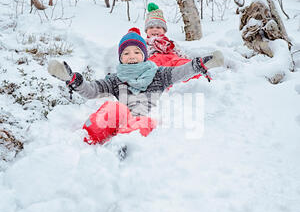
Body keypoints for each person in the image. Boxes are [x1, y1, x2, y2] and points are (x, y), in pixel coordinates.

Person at [48, 28, 218, 146]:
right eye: (126, 53)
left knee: (142, 121)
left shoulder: (159, 74)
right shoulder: (115, 79)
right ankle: (85, 141)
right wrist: (74, 80)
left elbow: (180, 72)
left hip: (149, 122)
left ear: (144, 55)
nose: (132, 56)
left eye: (136, 52)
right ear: (121, 58)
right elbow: (92, 90)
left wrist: (199, 65)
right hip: (123, 119)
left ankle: (123, 146)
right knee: (114, 108)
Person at [145, 3, 222, 83]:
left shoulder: (170, 43)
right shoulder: (143, 43)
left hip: (173, 59)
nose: (155, 30)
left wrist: (188, 61)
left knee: (183, 65)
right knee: (161, 73)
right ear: (146, 31)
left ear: (164, 30)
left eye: (158, 27)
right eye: (151, 27)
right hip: (156, 63)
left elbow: (180, 53)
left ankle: (200, 75)